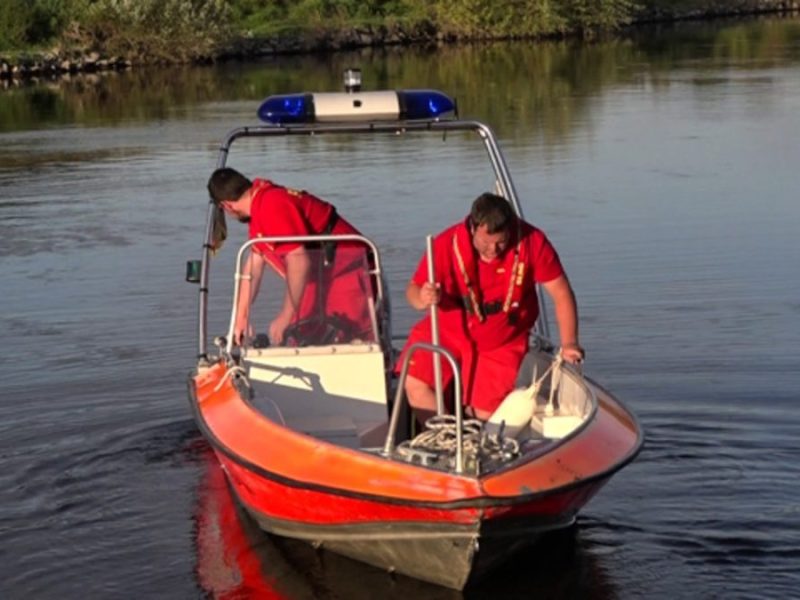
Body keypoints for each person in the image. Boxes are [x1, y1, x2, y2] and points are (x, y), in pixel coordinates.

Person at [398, 192, 584, 421]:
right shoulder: (447, 243)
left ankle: (474, 443)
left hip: (502, 337)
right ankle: (443, 440)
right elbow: (412, 291)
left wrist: (569, 343)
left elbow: (561, 293)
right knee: (416, 385)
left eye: (501, 242)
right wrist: (423, 297)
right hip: (450, 326)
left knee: (482, 413)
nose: (493, 250)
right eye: (485, 242)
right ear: (472, 228)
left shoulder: (532, 241)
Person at [207, 167, 374, 346]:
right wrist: (241, 317)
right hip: (321, 280)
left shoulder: (271, 204)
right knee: (299, 337)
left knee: (348, 344)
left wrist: (285, 316)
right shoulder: (260, 209)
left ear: (226, 206)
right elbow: (254, 266)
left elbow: (299, 261)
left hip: (349, 275)